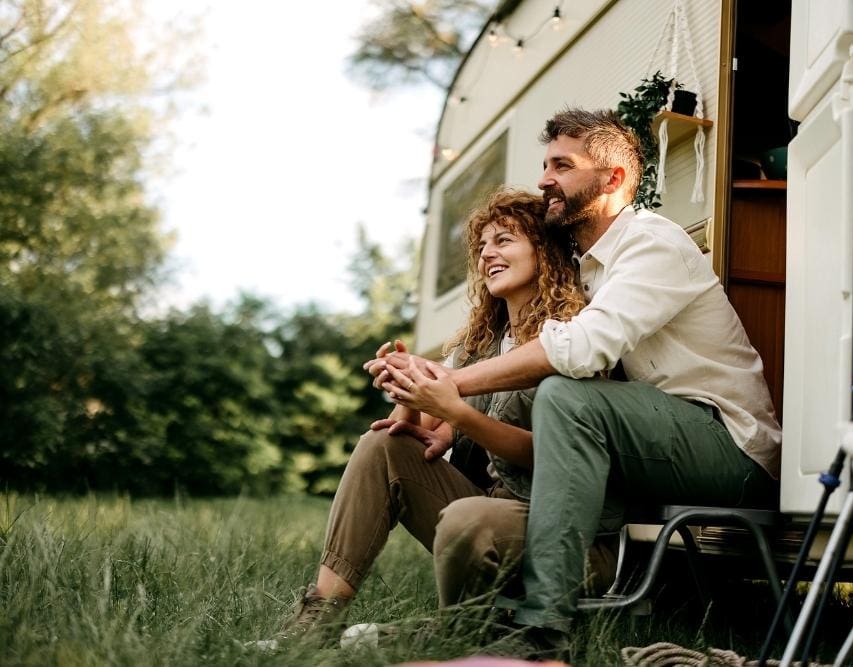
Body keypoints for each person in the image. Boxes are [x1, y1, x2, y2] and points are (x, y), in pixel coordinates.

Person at [371, 108, 782, 650]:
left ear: (613, 179)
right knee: (560, 402)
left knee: (570, 394)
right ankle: (477, 622)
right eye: (545, 165)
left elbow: (583, 349)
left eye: (562, 165)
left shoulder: (651, 242)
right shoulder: (587, 268)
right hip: (653, 448)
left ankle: (542, 629)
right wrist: (443, 411)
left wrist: (452, 384)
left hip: (729, 448)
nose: (545, 179)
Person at [277, 187, 619, 643]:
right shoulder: (483, 346)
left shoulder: (576, 340)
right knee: (382, 444)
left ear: (545, 249)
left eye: (504, 240)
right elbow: (428, 433)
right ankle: (316, 623)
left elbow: (561, 458)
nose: (487, 255)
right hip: (492, 513)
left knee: (468, 516)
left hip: (572, 538)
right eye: (482, 247)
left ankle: (452, 633)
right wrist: (409, 388)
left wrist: (457, 410)